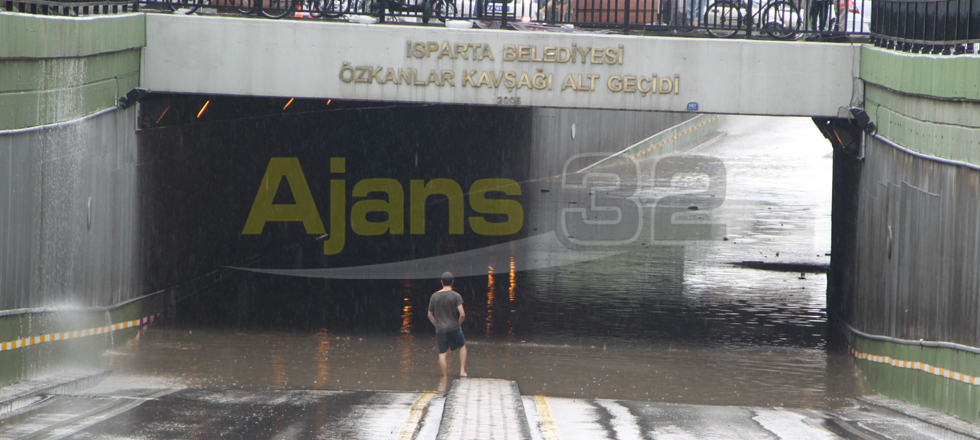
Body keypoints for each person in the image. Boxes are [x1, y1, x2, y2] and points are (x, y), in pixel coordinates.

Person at [427, 272, 469, 377]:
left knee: (442, 353)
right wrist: (458, 325)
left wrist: (436, 324)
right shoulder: (456, 296)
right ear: (452, 282)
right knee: (462, 347)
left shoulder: (434, 296)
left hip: (440, 329)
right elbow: (462, 314)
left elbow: (429, 315)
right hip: (453, 327)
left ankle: (444, 377)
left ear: (441, 282)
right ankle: (462, 371)